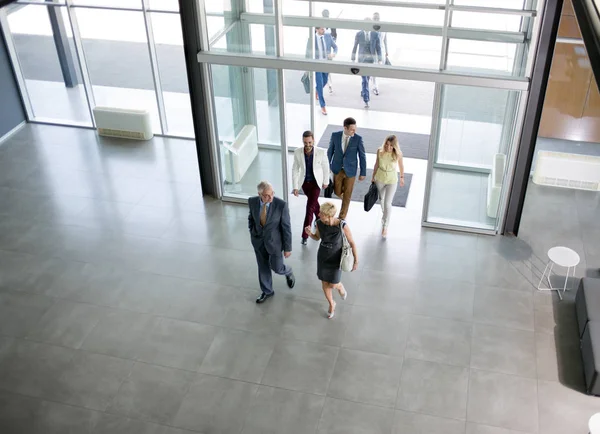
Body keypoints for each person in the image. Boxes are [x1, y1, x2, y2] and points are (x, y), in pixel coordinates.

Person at [305, 202, 358, 319]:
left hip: (336, 259)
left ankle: (340, 287)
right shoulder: (319, 223)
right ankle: (331, 304)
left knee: (333, 284)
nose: (318, 214)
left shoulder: (342, 226)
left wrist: (356, 261)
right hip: (323, 257)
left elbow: (352, 243)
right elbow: (317, 237)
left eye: (321, 213)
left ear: (329, 215)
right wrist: (310, 234)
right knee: (324, 283)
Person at [248, 181, 295, 303]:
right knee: (262, 266)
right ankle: (267, 291)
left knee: (277, 267)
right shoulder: (252, 202)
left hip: (275, 243)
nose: (270, 197)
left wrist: (288, 248)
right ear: (260, 194)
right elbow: (251, 218)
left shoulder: (281, 205)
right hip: (258, 241)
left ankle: (288, 271)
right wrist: (252, 232)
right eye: (267, 195)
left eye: (272, 194)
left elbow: (286, 227)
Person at [292, 131, 330, 246]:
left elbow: (325, 167)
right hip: (305, 184)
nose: (307, 145)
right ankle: (322, 222)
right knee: (314, 206)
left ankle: (305, 235)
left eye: (309, 142)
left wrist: (326, 181)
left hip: (316, 184)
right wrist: (295, 187)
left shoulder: (321, 152)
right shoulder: (297, 152)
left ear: (313, 140)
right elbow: (295, 169)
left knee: (309, 208)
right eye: (305, 142)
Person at [327, 117, 367, 220]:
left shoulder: (358, 139)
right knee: (336, 191)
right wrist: (327, 167)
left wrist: (363, 172)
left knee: (347, 195)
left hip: (351, 170)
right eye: (352, 129)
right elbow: (330, 152)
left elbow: (362, 156)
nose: (354, 131)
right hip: (337, 169)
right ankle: (344, 198)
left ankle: (342, 218)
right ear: (345, 128)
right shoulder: (335, 136)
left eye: (355, 129)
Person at [371, 135, 405, 238]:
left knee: (387, 203)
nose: (388, 147)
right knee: (381, 200)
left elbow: (401, 166)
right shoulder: (379, 151)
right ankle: (385, 215)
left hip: (392, 180)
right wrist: (373, 176)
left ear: (394, 146)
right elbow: (376, 164)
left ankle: (385, 225)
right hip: (380, 178)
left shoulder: (398, 154)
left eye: (391, 145)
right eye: (387, 144)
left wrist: (402, 177)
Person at [306, 27, 337, 115]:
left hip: (325, 64)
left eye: (324, 29)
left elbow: (335, 47)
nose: (324, 30)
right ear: (316, 30)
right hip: (316, 64)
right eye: (322, 29)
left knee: (325, 81)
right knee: (319, 84)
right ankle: (322, 106)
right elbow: (307, 52)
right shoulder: (311, 39)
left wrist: (333, 54)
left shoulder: (328, 36)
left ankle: (317, 91)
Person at [351, 17, 382, 109]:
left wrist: (380, 59)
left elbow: (378, 47)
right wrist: (353, 58)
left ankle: (364, 91)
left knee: (367, 79)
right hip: (361, 60)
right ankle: (366, 100)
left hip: (371, 60)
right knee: (364, 79)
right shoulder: (359, 34)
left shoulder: (375, 34)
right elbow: (355, 46)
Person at [371, 12, 389, 96]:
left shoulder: (383, 28)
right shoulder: (370, 28)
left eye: (377, 18)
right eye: (374, 18)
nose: (376, 20)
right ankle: (375, 87)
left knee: (377, 69)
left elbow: (385, 41)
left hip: (380, 50)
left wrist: (386, 51)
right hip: (373, 51)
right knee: (374, 69)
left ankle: (373, 82)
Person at [322, 9, 337, 93]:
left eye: (327, 16)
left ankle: (330, 85)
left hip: (328, 50)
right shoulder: (319, 25)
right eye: (325, 16)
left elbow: (335, 35)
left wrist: (333, 40)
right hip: (321, 52)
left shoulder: (332, 25)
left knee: (328, 69)